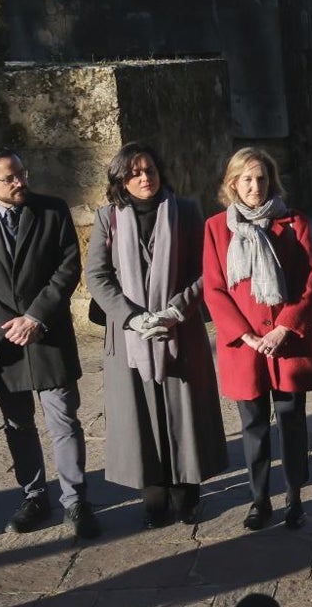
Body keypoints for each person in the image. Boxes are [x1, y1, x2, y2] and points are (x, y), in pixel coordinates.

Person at [0, 147, 100, 539]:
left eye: (21, 173)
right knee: (17, 423)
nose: (20, 182)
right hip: (5, 345)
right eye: (9, 178)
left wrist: (35, 317)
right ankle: (34, 497)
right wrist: (6, 325)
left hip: (47, 334)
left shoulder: (52, 210)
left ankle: (75, 500)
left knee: (63, 420)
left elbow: (68, 266)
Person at [85, 142, 227, 529]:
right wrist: (131, 317)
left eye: (150, 169)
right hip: (130, 336)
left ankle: (187, 495)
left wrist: (176, 310)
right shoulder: (107, 218)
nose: (145, 177)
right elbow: (97, 275)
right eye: (134, 172)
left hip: (179, 328)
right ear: (121, 179)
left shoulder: (184, 211)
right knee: (140, 415)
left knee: (184, 411)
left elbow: (205, 268)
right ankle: (155, 497)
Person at [203, 147, 312, 531]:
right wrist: (248, 336)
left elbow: (310, 280)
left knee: (292, 422)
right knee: (253, 427)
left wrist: (284, 327)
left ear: (271, 180)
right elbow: (215, 289)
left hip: (286, 341)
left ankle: (294, 497)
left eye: (261, 178)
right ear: (233, 184)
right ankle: (259, 500)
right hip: (246, 346)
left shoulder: (293, 222)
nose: (255, 186)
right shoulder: (216, 228)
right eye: (247, 179)